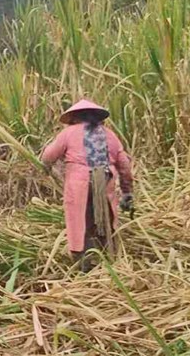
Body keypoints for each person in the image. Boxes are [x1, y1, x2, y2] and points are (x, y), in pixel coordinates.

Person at [39, 99, 134, 272]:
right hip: (105, 182)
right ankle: (110, 260)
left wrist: (46, 169)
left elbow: (48, 156)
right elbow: (124, 165)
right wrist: (127, 192)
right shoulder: (109, 134)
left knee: (80, 220)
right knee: (105, 220)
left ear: (75, 117)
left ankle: (84, 266)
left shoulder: (69, 133)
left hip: (79, 183)